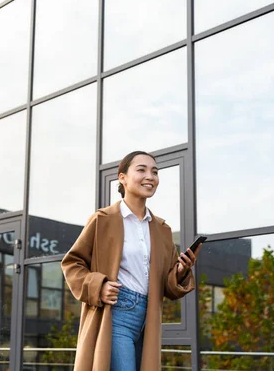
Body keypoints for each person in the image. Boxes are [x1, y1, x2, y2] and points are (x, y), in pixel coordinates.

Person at [61, 151, 201, 371]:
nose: (150, 176)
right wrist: (99, 286)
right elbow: (72, 263)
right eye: (141, 170)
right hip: (117, 313)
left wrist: (182, 269)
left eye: (155, 172)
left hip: (150, 318)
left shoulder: (162, 229)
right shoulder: (102, 219)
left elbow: (168, 286)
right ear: (122, 177)